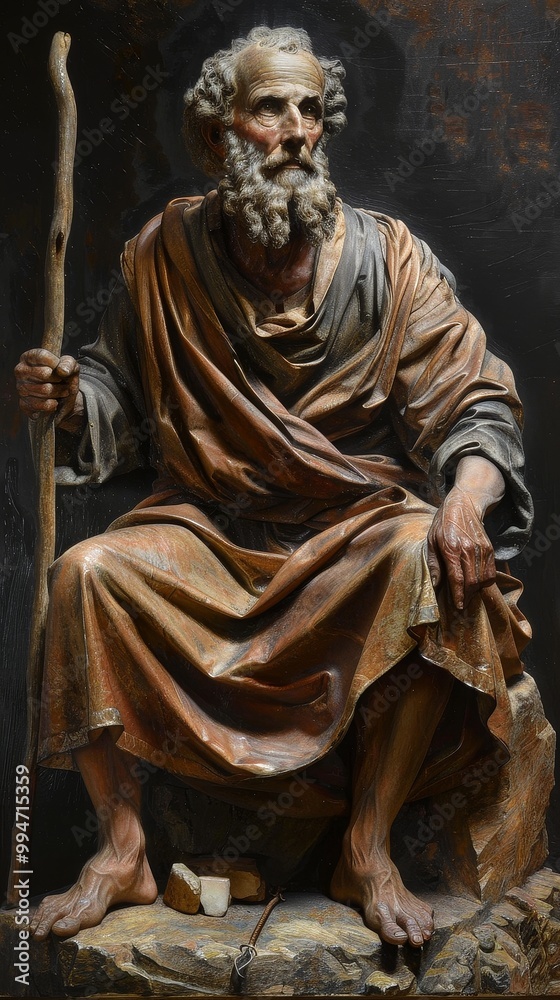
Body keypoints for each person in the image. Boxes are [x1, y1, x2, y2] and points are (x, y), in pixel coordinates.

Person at [15, 26, 533, 949]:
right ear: (219, 134)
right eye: (270, 109)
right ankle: (123, 847)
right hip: (210, 536)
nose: (296, 129)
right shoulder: (165, 255)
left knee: (429, 558)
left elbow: (476, 401)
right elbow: (115, 397)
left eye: (309, 109)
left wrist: (463, 500)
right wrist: (66, 399)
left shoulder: (388, 260)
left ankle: (365, 846)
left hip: (350, 534)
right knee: (83, 576)